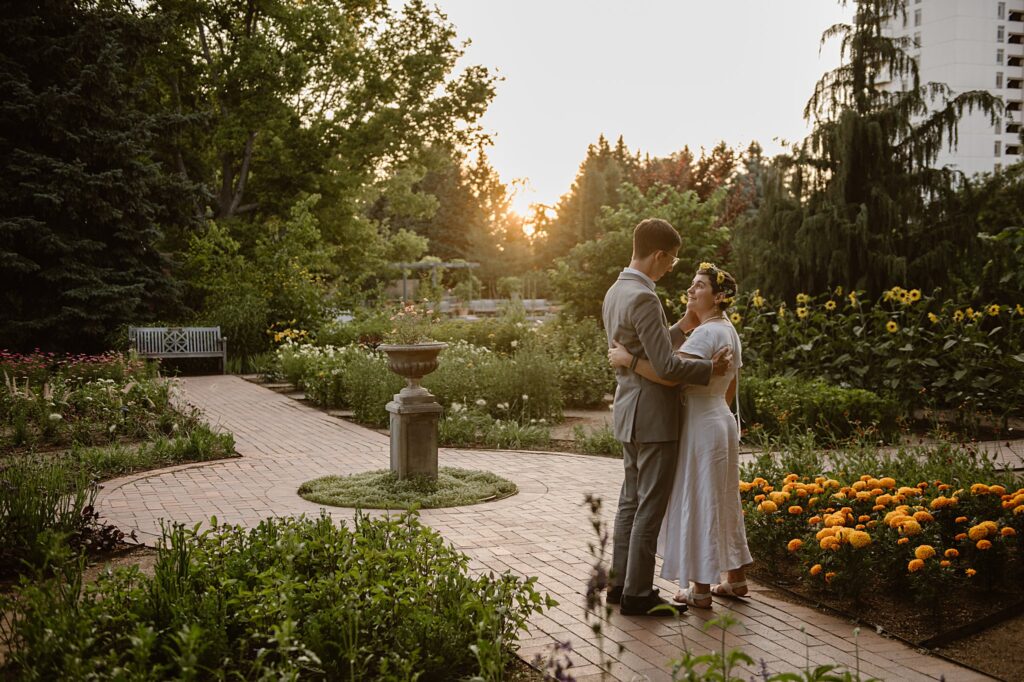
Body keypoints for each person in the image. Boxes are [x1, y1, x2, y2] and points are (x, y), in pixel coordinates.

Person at [601, 219, 732, 617]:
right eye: (672, 261)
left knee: (629, 502)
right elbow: (667, 365)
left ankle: (619, 584)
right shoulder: (644, 297)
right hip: (654, 416)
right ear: (659, 255)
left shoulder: (616, 291)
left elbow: (646, 347)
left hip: (628, 411)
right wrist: (708, 368)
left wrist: (679, 327)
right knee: (649, 507)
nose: (671, 268)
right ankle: (639, 594)